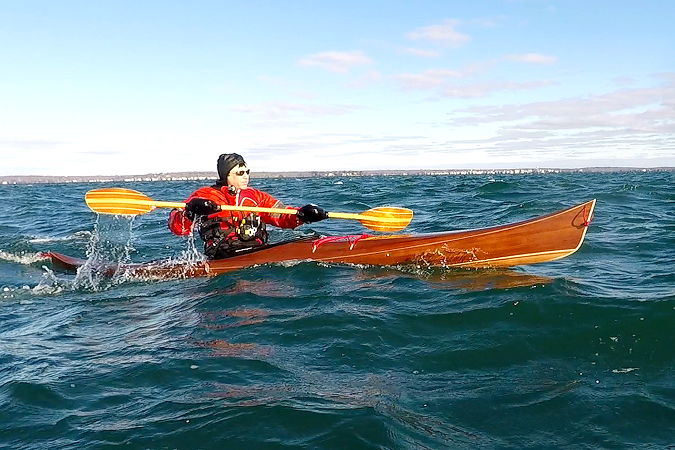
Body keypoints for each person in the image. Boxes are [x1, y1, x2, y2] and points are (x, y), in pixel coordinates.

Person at [168, 153, 328, 259]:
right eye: (240, 173)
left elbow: (280, 215)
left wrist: (301, 215)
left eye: (247, 172)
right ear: (226, 175)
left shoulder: (257, 196)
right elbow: (178, 227)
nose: (246, 176)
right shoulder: (205, 195)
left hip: (256, 249)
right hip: (223, 254)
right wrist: (190, 212)